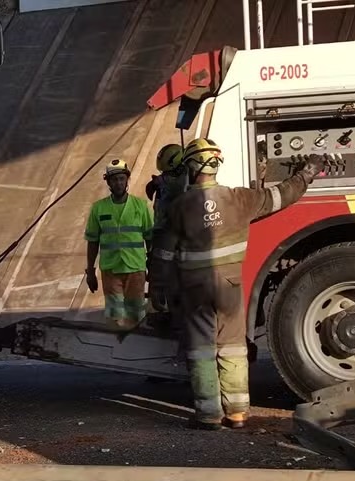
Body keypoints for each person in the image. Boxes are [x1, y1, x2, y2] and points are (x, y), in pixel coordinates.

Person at [149, 138, 324, 430]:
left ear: (191, 167)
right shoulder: (240, 199)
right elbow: (282, 195)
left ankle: (208, 415)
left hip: (195, 288)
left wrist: (158, 289)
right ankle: (238, 413)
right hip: (229, 285)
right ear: (216, 164)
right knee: (232, 346)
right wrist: (307, 173)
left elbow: (163, 254)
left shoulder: (179, 208)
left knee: (202, 349)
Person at [84, 159, 154, 332]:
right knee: (115, 316)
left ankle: (134, 350)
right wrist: (90, 272)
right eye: (114, 179)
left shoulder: (140, 206)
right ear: (108, 182)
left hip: (135, 269)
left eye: (122, 179)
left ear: (127, 180)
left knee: (136, 315)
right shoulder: (98, 208)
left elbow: (150, 237)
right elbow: (93, 241)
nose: (118, 183)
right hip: (111, 270)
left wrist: (153, 266)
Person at [145, 144, 189, 348]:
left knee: (168, 297)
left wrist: (158, 181)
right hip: (164, 241)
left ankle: (174, 347)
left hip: (170, 243)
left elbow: (175, 185)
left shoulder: (180, 181)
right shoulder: (172, 181)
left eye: (166, 171)